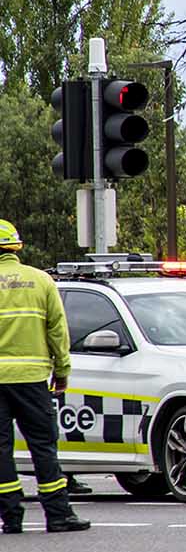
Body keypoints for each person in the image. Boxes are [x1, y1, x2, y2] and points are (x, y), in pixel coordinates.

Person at [0, 219, 89, 533]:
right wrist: (62, 371)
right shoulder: (41, 281)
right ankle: (58, 514)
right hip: (33, 379)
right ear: (17, 247)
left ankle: (11, 518)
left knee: (1, 450)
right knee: (43, 445)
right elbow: (57, 331)